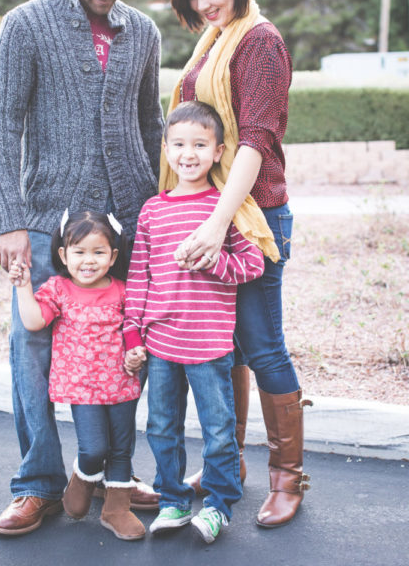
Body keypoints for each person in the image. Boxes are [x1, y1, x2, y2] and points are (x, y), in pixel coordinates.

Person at [0, 0, 163, 536]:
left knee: (128, 347)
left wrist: (158, 211)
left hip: (128, 220)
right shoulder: (25, 25)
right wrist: (10, 219)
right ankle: (38, 484)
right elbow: (2, 127)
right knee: (31, 350)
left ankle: (114, 472)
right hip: (44, 220)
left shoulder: (142, 30)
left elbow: (152, 125)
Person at [164, 0, 313, 529]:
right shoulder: (214, 39)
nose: (203, 4)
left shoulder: (259, 41)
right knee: (226, 349)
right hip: (213, 213)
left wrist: (216, 223)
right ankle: (234, 464)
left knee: (260, 343)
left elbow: (254, 142)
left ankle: (289, 477)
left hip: (250, 218)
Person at [123, 101, 265, 544]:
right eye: (180, 144)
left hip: (209, 345)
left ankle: (219, 506)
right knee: (162, 426)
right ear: (166, 150)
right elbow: (138, 278)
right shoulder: (151, 211)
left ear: (219, 151)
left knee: (218, 430)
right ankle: (173, 499)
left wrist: (213, 260)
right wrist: (133, 334)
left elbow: (253, 264)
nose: (189, 153)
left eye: (200, 145)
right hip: (160, 343)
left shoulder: (226, 208)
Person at [2, 211, 146, 541]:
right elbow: (35, 321)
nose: (88, 261)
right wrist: (24, 287)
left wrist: (135, 351)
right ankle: (83, 478)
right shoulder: (60, 289)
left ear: (113, 256)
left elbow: (134, 327)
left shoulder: (123, 290)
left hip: (121, 383)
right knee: (94, 448)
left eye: (98, 252)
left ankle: (116, 510)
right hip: (84, 389)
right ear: (64, 255)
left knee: (122, 449)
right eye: (79, 252)